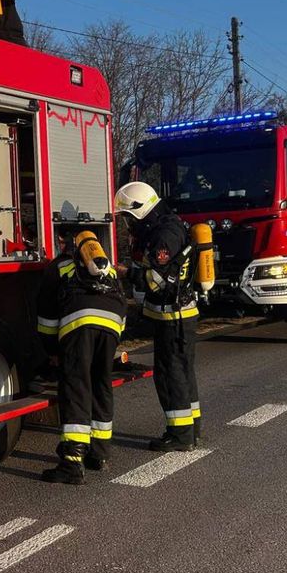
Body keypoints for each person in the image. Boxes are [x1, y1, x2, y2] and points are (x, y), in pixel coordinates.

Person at [114, 181, 202, 452]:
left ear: (140, 212)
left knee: (170, 375)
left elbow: (156, 281)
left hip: (172, 318)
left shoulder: (164, 236)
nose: (128, 224)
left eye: (129, 218)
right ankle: (191, 430)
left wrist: (127, 273)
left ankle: (180, 436)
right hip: (180, 316)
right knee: (183, 373)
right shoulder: (171, 226)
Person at [36, 230, 127, 484]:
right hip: (112, 327)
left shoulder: (61, 267)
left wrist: (52, 350)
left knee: (76, 387)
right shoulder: (107, 267)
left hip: (79, 327)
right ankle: (99, 454)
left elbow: (46, 314)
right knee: (101, 384)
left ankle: (72, 463)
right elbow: (122, 301)